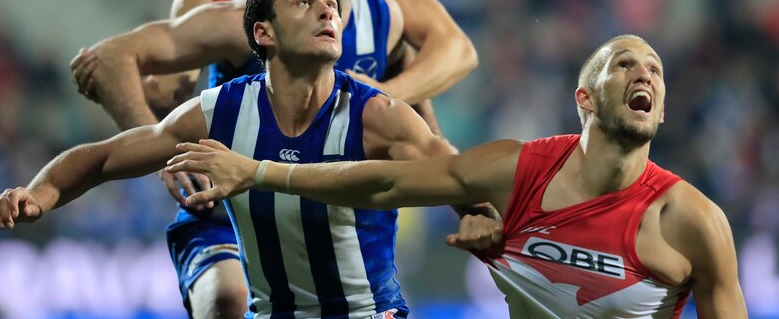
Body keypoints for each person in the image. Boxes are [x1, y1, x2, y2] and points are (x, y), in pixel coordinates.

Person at [71, 0, 477, 316]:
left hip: (332, 194)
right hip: (238, 193)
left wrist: (374, 103)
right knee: (226, 299)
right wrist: (168, 155)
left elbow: (455, 51)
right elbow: (150, 80)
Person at [0, 0, 495, 319]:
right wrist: (39, 195)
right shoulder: (223, 111)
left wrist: (478, 215)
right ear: (264, 34)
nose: (326, 13)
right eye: (303, 2)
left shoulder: (376, 115)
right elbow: (105, 159)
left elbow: (449, 170)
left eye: (330, 5)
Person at [168, 34, 749, 318]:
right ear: (586, 98)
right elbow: (389, 182)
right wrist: (261, 172)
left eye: (654, 69)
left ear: (663, 107)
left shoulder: (693, 222)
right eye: (622, 63)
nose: (641, 72)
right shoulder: (515, 172)